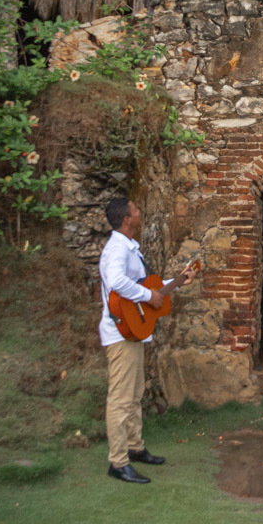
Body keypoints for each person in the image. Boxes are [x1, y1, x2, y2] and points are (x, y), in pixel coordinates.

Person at [99, 196, 196, 485]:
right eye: (136, 210)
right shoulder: (117, 248)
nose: (140, 213)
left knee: (134, 392)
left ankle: (135, 447)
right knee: (120, 398)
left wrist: (175, 281)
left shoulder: (130, 248)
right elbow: (117, 282)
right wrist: (148, 296)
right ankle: (118, 462)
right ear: (127, 218)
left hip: (132, 331)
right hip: (120, 333)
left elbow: (146, 286)